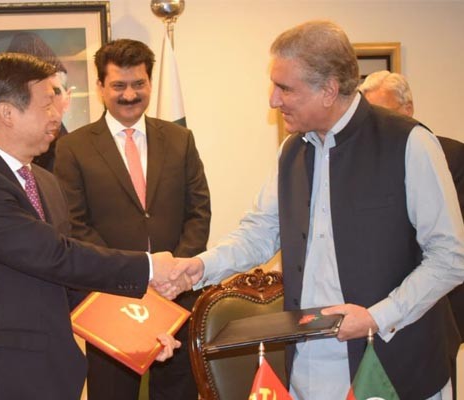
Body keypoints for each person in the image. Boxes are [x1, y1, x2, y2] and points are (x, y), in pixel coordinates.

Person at [174, 21, 464, 399]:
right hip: (309, 368)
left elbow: (450, 256)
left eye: (285, 88)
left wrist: (377, 317)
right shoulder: (290, 152)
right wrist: (198, 267)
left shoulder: (410, 143)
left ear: (328, 90)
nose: (273, 100)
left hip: (397, 367)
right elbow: (260, 232)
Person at [0, 52, 187, 399]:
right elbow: (54, 255)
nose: (57, 115)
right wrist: (148, 267)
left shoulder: (45, 181)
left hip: (52, 374)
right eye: (46, 105)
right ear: (7, 113)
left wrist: (140, 332)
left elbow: (72, 285)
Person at [53, 38, 210, 400]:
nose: (129, 95)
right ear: (100, 87)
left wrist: (174, 275)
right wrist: (133, 276)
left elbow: (199, 211)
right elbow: (75, 224)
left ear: (150, 83)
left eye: (138, 84)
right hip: (112, 301)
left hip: (177, 298)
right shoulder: (72, 148)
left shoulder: (180, 139)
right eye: (118, 85)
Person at [360, 70, 464, 341]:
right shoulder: (362, 165)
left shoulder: (452, 155)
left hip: (441, 302)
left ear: (407, 109)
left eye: (382, 113)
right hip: (380, 304)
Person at [7, 31, 71, 171]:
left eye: (55, 93)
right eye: (33, 96)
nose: (50, 110)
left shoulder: (84, 158)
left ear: (68, 99)